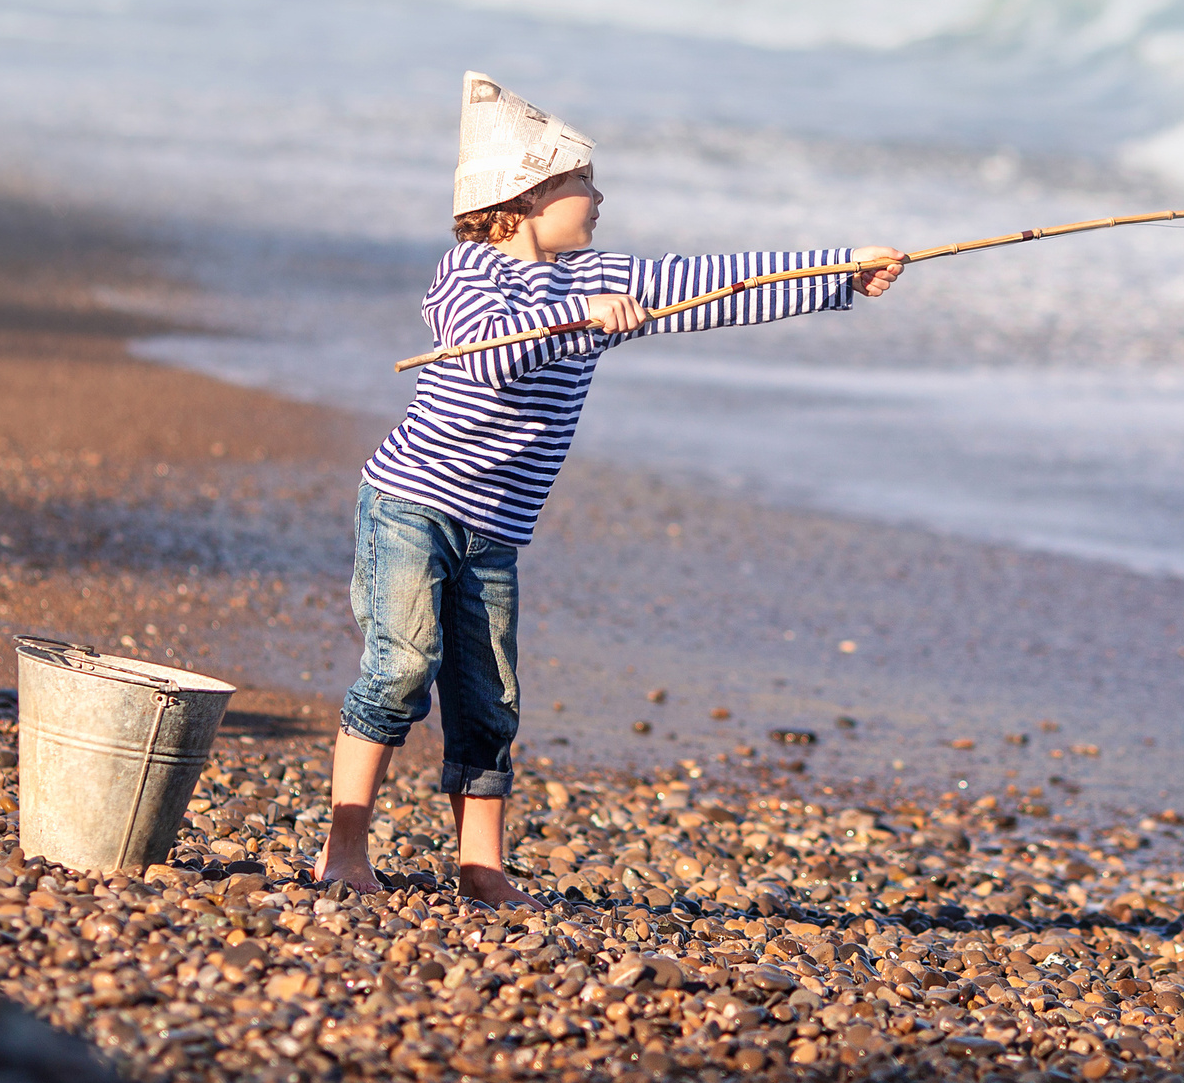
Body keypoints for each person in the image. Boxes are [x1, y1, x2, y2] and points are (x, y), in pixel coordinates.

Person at [315, 72, 903, 900]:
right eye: (581, 183)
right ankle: (343, 848)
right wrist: (579, 323)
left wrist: (842, 271)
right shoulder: (468, 273)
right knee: (401, 667)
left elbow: (721, 287)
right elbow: (488, 352)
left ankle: (480, 866)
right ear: (522, 199)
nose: (598, 196)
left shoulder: (600, 271)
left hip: (496, 531)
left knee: (489, 700)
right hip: (414, 505)